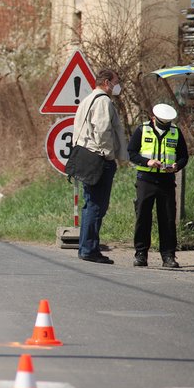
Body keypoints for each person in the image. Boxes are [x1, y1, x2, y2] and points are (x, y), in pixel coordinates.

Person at [72, 68, 128, 264]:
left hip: (86, 157)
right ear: (106, 82)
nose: (116, 86)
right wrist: (108, 155)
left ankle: (87, 247)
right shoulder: (103, 101)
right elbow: (103, 130)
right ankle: (89, 249)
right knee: (97, 205)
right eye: (115, 81)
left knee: (90, 204)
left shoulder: (87, 100)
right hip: (99, 158)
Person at [127, 103, 188, 268]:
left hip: (166, 181)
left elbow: (183, 156)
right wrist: (148, 162)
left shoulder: (175, 132)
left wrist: (176, 166)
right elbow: (131, 152)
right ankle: (141, 254)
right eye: (162, 123)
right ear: (153, 118)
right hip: (145, 179)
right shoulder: (142, 130)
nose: (165, 126)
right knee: (143, 217)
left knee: (167, 219)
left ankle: (168, 256)